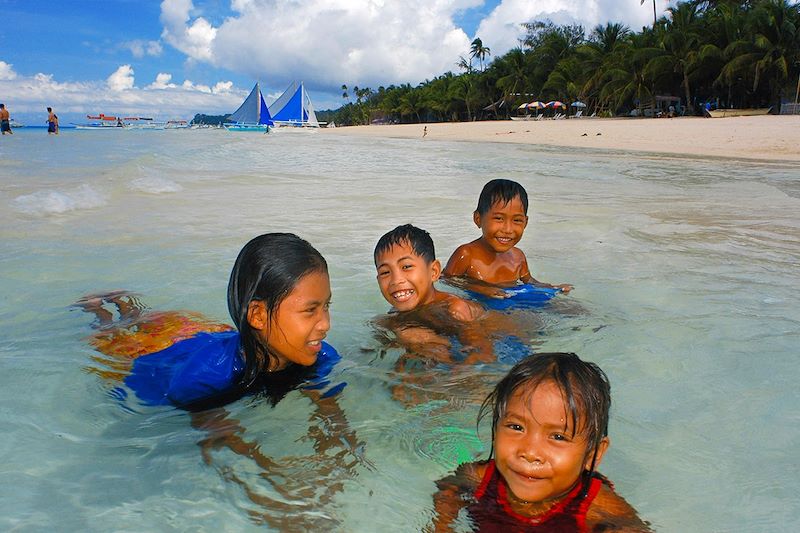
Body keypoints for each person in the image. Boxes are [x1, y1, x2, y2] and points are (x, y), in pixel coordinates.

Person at [76, 232, 341, 410]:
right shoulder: (203, 381)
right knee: (116, 334)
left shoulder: (321, 356)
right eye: (310, 310)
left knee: (138, 324)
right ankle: (100, 309)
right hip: (162, 357)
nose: (325, 323)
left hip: (211, 340)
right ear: (258, 316)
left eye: (326, 306)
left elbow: (329, 409)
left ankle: (124, 304)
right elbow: (221, 441)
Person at [429, 352, 650, 532]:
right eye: (516, 427)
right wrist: (443, 524)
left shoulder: (596, 506)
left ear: (593, 454)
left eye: (558, 437)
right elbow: (450, 489)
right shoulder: (480, 478)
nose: (530, 452)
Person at [443, 179, 572, 305]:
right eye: (499, 218)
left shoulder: (518, 256)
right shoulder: (467, 254)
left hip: (512, 298)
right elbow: (447, 280)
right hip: (480, 302)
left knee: (570, 308)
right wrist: (481, 289)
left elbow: (530, 282)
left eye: (517, 220)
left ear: (525, 223)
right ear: (478, 219)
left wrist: (553, 288)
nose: (508, 229)